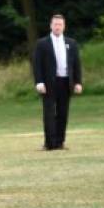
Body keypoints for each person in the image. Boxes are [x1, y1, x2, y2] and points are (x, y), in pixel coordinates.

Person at [32, 14, 83, 150]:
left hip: (65, 82)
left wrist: (78, 82)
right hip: (49, 83)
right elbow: (37, 65)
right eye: (55, 24)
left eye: (60, 24)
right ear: (51, 25)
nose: (57, 27)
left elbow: (76, 64)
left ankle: (60, 142)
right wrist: (39, 82)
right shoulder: (42, 43)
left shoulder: (71, 43)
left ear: (64, 26)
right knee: (49, 113)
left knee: (63, 113)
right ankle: (49, 143)